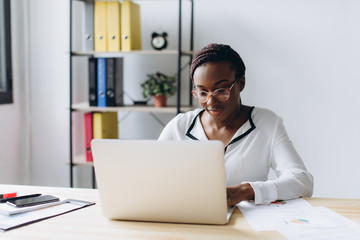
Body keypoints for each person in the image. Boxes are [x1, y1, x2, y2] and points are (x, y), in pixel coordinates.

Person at [158, 43, 313, 206]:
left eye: (221, 91)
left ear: (241, 83)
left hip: (246, 225)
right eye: (202, 93)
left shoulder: (267, 124)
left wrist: (247, 191)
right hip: (190, 221)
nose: (211, 102)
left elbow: (302, 180)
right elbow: (149, 176)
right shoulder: (179, 126)